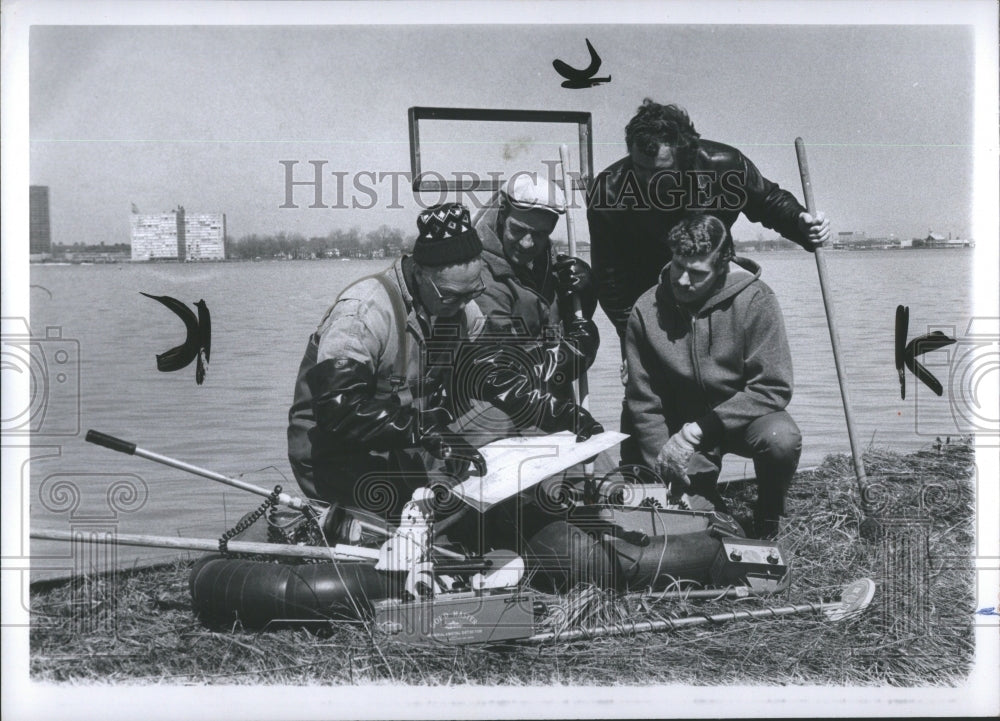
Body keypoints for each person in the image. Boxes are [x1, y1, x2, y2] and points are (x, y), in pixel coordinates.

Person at [287, 202, 603, 532]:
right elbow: (338, 411)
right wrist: (423, 430)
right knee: (406, 526)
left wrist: (555, 413)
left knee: (499, 427)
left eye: (473, 292)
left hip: (403, 440)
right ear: (420, 273)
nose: (463, 305)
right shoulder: (364, 313)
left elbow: (493, 376)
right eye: (452, 295)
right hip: (337, 453)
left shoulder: (456, 304)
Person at [588, 98, 831, 351]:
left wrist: (798, 221)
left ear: (683, 159)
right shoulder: (609, 191)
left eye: (661, 172)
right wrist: (633, 336)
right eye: (640, 168)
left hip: (716, 287)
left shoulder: (726, 166)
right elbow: (609, 279)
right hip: (650, 298)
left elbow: (768, 201)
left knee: (725, 371)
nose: (649, 180)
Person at [624, 214, 802, 539]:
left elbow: (772, 387)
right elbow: (642, 401)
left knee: (782, 439)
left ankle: (769, 514)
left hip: (739, 421)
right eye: (678, 265)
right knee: (693, 522)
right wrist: (663, 461)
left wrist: (700, 430)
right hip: (678, 427)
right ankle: (704, 499)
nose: (681, 280)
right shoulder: (645, 309)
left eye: (697, 273)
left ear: (722, 268)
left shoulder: (756, 300)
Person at [471, 173, 600, 413]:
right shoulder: (478, 274)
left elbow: (558, 326)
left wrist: (586, 296)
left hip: (552, 401)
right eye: (518, 230)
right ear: (501, 214)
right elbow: (500, 372)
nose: (527, 243)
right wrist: (567, 358)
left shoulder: (544, 259)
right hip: (503, 414)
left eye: (541, 234)